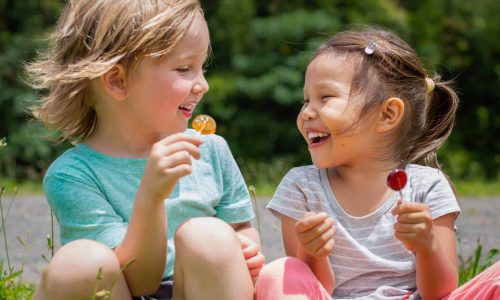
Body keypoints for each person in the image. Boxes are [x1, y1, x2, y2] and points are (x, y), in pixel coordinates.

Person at [26, 1, 264, 299]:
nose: (202, 85)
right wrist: (151, 197)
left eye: (201, 67)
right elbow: (140, 281)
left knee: (210, 235)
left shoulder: (211, 150)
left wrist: (245, 246)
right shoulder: (74, 176)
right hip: (127, 289)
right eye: (184, 68)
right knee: (80, 263)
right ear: (117, 80)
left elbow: (241, 227)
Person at [255, 27, 500, 299]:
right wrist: (311, 253)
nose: (306, 112)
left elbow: (441, 292)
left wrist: (427, 246)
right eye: (305, 100)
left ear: (387, 114)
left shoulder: (427, 187)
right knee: (280, 273)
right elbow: (315, 288)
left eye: (325, 97)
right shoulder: (301, 187)